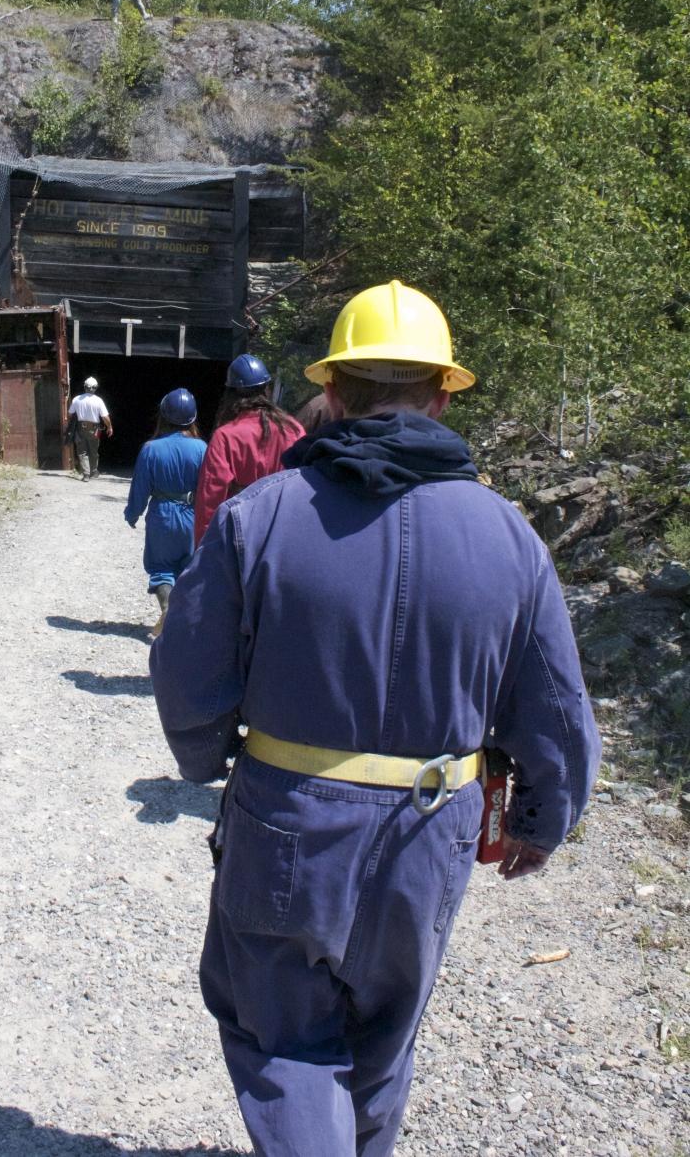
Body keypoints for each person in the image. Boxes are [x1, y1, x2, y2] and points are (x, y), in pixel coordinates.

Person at [150, 279, 601, 1157]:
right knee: (385, 1041)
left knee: (283, 1038)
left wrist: (206, 758)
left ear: (333, 393)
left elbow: (188, 673)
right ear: (440, 395)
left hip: (287, 818)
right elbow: (555, 705)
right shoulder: (510, 537)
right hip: (431, 829)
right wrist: (542, 821)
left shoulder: (261, 517)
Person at [193, 353, 304, 545]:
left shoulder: (226, 436)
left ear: (231, 394)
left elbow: (210, 497)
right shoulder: (295, 429)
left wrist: (203, 547)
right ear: (266, 389)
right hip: (285, 531)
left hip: (240, 534)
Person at [124, 389, 208, 637]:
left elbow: (140, 487)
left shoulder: (151, 449)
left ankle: (168, 609)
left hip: (162, 514)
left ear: (163, 416)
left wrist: (133, 513)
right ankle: (187, 623)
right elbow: (210, 486)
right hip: (192, 514)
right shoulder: (203, 448)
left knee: (161, 568)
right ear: (193, 418)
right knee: (190, 568)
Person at [68, 376, 113, 481]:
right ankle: (93, 471)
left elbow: (70, 414)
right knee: (93, 450)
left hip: (80, 428)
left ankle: (86, 474)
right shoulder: (98, 401)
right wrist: (109, 427)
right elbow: (105, 417)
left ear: (85, 387)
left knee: (82, 451)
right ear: (96, 387)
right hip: (95, 429)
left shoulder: (76, 399)